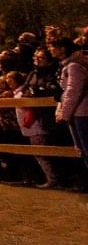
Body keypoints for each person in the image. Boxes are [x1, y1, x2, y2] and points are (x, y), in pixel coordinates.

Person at [51, 37, 88, 172]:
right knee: (82, 150)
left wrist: (64, 114)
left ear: (63, 49)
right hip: (77, 111)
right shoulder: (67, 65)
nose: (51, 50)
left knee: (85, 148)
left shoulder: (74, 66)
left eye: (53, 46)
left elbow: (73, 90)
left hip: (82, 112)